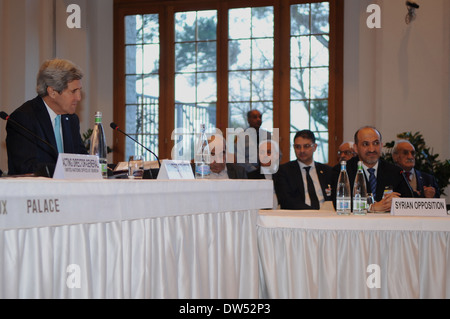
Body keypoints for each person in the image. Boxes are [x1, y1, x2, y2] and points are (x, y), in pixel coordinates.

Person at [6, 58, 87, 176]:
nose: (79, 97)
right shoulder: (23, 118)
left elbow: (81, 159)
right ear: (52, 92)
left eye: (79, 90)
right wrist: (67, 169)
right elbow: (26, 168)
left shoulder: (71, 120)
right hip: (36, 193)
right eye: (73, 91)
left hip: (67, 192)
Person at [332, 126, 412, 212]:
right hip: (356, 223)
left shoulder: (395, 172)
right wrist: (371, 207)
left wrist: (397, 202)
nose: (372, 149)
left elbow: (410, 202)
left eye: (376, 143)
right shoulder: (342, 171)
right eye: (366, 144)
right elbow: (339, 203)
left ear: (381, 145)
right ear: (356, 148)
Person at [273, 129, 333, 210]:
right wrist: (313, 213)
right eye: (298, 147)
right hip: (298, 217)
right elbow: (286, 201)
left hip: (327, 216)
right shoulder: (284, 171)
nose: (302, 150)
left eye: (306, 146)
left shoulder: (327, 171)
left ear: (314, 147)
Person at [235, 109, 271, 173]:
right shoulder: (241, 137)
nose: (258, 119)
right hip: (248, 173)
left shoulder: (268, 135)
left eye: (260, 117)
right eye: (255, 117)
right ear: (248, 120)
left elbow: (278, 154)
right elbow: (239, 158)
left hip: (267, 171)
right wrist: (254, 170)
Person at [247, 139, 280, 209]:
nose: (265, 155)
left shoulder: (284, 174)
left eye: (269, 152)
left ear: (276, 155)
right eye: (262, 152)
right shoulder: (251, 177)